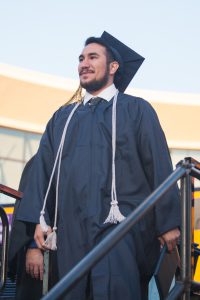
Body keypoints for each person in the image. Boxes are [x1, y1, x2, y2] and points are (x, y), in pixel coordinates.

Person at [16, 31, 180, 300]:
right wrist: (39, 220)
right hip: (70, 230)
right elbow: (43, 174)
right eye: (81, 58)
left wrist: (167, 221)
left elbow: (159, 164)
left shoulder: (136, 110)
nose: (84, 63)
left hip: (123, 228)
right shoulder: (63, 118)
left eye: (93, 57)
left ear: (113, 67)